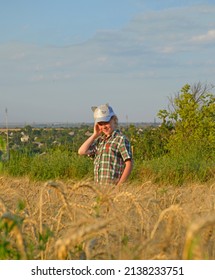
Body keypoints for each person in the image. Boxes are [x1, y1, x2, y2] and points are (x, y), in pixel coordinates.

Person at [78, 104, 133, 186]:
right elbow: (81, 151)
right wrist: (95, 135)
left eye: (106, 122)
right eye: (100, 124)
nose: (104, 127)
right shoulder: (99, 141)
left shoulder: (120, 139)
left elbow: (129, 164)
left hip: (113, 189)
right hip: (99, 190)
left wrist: (119, 187)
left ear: (114, 120)